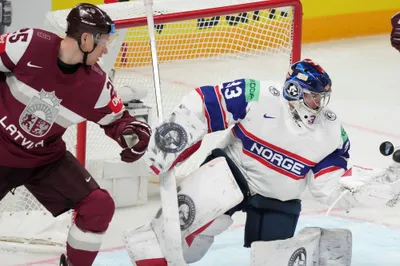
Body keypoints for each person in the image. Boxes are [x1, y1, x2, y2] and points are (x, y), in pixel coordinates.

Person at [124, 58, 400, 265]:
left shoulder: (331, 132)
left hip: (280, 198)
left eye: (321, 97)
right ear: (293, 90)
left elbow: (330, 187)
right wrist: (172, 140)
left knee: (276, 260)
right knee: (184, 240)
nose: (318, 104)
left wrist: (380, 186)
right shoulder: (257, 94)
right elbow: (203, 104)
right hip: (231, 173)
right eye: (312, 96)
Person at [0, 3, 151, 266]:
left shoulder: (97, 85)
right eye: (103, 41)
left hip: (44, 160)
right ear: (85, 39)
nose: (106, 48)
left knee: (98, 206)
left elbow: (117, 120)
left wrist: (131, 133)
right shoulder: (29, 43)